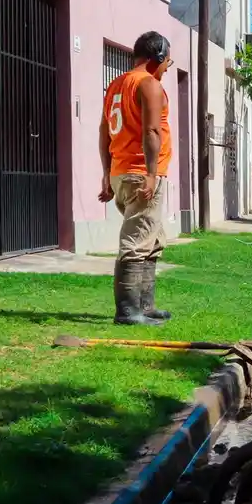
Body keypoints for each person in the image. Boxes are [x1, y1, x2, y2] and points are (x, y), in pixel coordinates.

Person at [99, 31, 174, 326]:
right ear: (157, 58)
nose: (168, 67)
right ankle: (128, 311)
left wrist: (107, 174)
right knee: (135, 241)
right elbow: (151, 131)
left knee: (151, 239)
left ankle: (146, 305)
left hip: (121, 172)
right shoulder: (149, 85)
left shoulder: (116, 85)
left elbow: (104, 131)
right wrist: (152, 174)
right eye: (167, 61)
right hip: (141, 173)